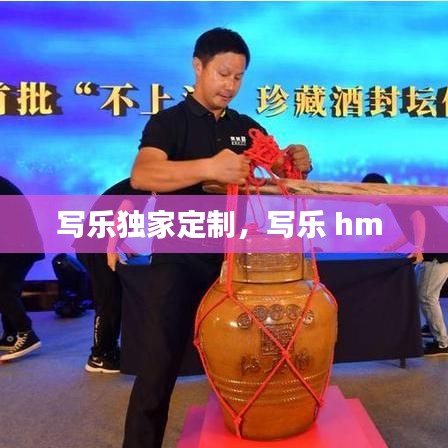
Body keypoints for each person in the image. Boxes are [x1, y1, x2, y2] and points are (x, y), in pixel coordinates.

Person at [123, 28, 312, 448]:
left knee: (250, 361)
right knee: (157, 371)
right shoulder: (168, 123)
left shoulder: (245, 128)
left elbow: (282, 170)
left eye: (238, 77)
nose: (230, 85)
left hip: (236, 266)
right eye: (223, 74)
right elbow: (143, 174)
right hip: (178, 262)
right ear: (198, 66)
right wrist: (209, 167)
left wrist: (297, 161)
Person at [362, 173, 448, 357]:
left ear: (376, 189)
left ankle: (442, 344)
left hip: (440, 253)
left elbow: (418, 218)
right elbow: (411, 228)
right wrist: (392, 247)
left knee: (427, 297)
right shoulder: (395, 199)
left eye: (366, 193)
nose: (365, 198)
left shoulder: (399, 198)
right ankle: (431, 326)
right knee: (421, 292)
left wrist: (418, 248)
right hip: (434, 251)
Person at [74, 178, 148, 373]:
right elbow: (122, 213)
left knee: (113, 299)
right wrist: (111, 248)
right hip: (94, 247)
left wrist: (125, 247)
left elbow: (113, 215)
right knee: (107, 301)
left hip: (94, 244)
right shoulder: (142, 185)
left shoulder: (134, 185)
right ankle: (99, 356)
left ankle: (109, 350)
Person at [0, 176, 44, 361]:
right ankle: (10, 335)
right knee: (7, 288)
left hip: (18, 245)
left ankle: (26, 334)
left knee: (3, 289)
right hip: (17, 245)